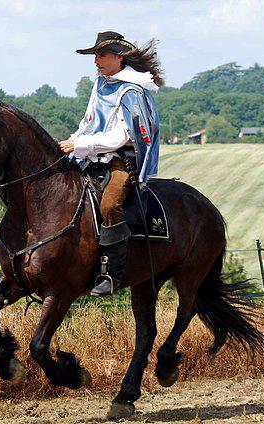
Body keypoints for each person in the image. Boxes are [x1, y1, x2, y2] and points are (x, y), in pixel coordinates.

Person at [59, 31, 163, 296]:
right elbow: (90, 123)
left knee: (109, 204)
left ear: (119, 57)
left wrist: (80, 146)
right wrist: (68, 143)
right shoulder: (102, 84)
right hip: (93, 155)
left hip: (122, 161)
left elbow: (124, 135)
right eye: (95, 56)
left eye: (101, 55)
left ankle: (111, 274)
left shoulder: (131, 90)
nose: (96, 61)